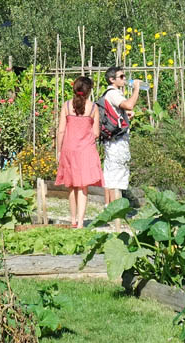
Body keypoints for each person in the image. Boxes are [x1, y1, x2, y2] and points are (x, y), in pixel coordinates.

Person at [55, 76, 104, 228]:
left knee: (71, 185)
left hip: (69, 149)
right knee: (83, 187)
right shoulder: (93, 108)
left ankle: (73, 220)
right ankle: (81, 222)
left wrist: (58, 150)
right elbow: (96, 133)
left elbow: (61, 130)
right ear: (89, 91)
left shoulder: (67, 105)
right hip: (86, 150)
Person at [101, 66, 141, 207]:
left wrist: (125, 115)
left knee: (110, 174)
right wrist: (136, 88)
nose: (125, 79)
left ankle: (109, 207)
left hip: (112, 140)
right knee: (116, 177)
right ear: (112, 79)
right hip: (117, 141)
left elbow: (119, 111)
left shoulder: (109, 93)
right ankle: (115, 210)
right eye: (121, 77)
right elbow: (129, 105)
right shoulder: (113, 93)